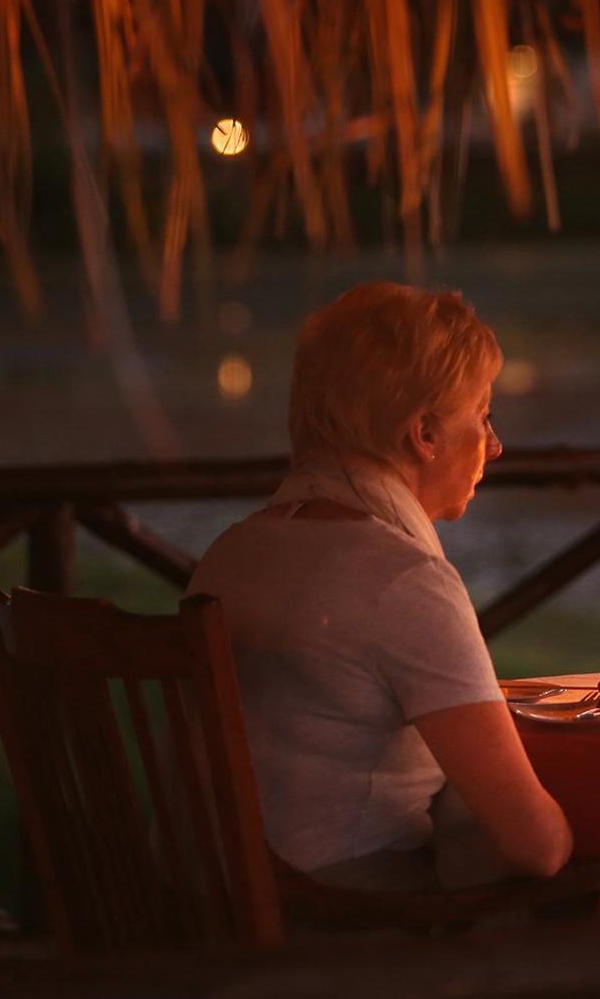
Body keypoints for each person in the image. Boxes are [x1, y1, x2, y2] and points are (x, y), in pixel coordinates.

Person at [189, 281, 572, 890]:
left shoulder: (231, 552)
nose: (493, 446)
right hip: (349, 932)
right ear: (424, 434)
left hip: (207, 910)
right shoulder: (402, 582)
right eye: (481, 416)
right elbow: (536, 847)